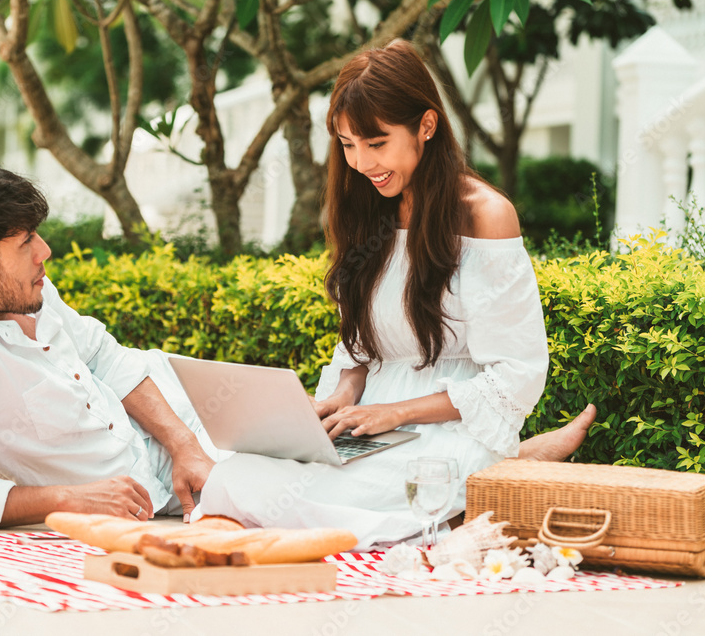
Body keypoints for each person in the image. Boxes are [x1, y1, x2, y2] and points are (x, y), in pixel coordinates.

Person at [194, 39, 595, 548]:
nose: (362, 163)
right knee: (232, 477)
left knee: (319, 501)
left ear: (426, 126)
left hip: (450, 432)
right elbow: (364, 346)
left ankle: (495, 473)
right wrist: (343, 394)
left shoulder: (485, 217)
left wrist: (398, 412)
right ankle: (483, 493)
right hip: (369, 428)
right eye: (347, 144)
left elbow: (517, 376)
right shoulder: (368, 208)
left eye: (376, 143)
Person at [0, 162, 215, 529]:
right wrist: (71, 499)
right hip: (182, 488)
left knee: (289, 422)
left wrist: (184, 444)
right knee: (289, 492)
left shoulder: (20, 288)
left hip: (186, 409)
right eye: (26, 242)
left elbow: (101, 355)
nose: (44, 251)